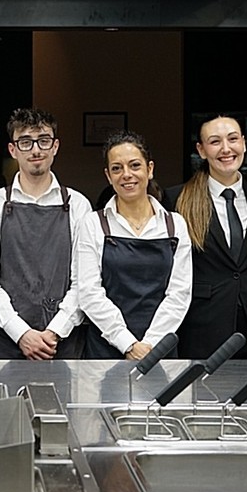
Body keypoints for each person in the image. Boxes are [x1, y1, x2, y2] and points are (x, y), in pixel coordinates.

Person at [0, 108, 93, 360]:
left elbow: (84, 281)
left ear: (55, 146)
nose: (36, 150)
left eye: (43, 141)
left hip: (61, 342)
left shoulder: (77, 204)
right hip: (4, 340)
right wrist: (21, 333)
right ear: (13, 150)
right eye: (26, 142)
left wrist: (54, 332)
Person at [163, 116, 247, 359]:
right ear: (201, 150)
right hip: (202, 329)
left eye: (233, 139)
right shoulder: (177, 199)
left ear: (244, 144)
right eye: (215, 142)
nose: (226, 149)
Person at [76, 130, 192, 359]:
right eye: (117, 168)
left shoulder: (174, 224)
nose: (126, 175)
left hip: (160, 348)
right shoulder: (93, 223)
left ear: (150, 169)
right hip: (106, 347)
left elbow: (180, 293)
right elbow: (89, 292)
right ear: (108, 176)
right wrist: (128, 344)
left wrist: (150, 344)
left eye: (135, 165)